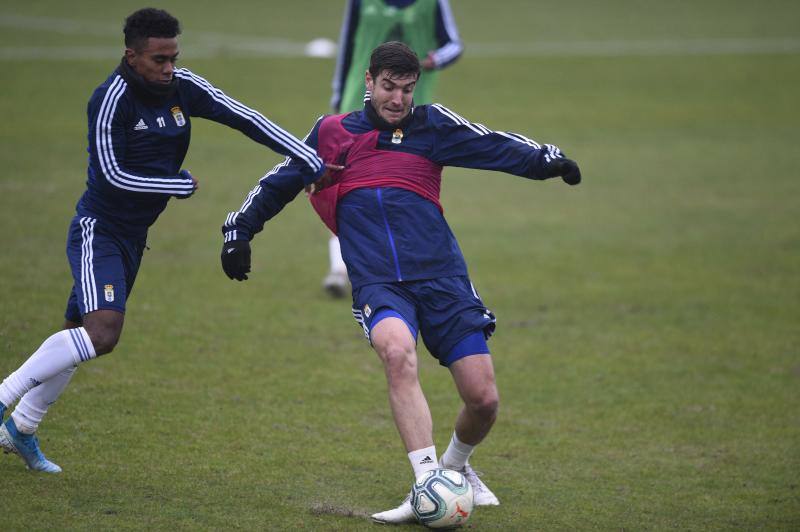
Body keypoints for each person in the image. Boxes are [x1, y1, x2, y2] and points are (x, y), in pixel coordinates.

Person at [220, 42, 581, 523]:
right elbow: (281, 180)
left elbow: (492, 145)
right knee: (396, 351)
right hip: (378, 281)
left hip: (442, 277)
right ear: (369, 82)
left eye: (407, 90)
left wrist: (546, 161)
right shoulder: (333, 133)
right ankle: (426, 481)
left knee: (484, 400)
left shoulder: (432, 126)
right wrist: (240, 232)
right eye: (389, 87)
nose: (398, 99)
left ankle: (454, 469)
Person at [0, 8, 332, 473]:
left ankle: (23, 427)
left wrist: (307, 156)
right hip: (100, 229)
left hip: (135, 237)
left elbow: (243, 116)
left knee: (80, 333)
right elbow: (111, 174)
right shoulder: (109, 99)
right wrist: (174, 184)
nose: (168, 68)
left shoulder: (182, 86)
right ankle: (4, 401)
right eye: (159, 59)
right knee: (102, 333)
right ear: (131, 55)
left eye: (174, 57)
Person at [323, 0, 463, 297]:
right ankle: (339, 268)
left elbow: (454, 45)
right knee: (342, 185)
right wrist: (338, 100)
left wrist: (433, 60)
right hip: (356, 105)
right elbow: (348, 44)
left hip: (411, 114)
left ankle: (400, 266)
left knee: (404, 189)